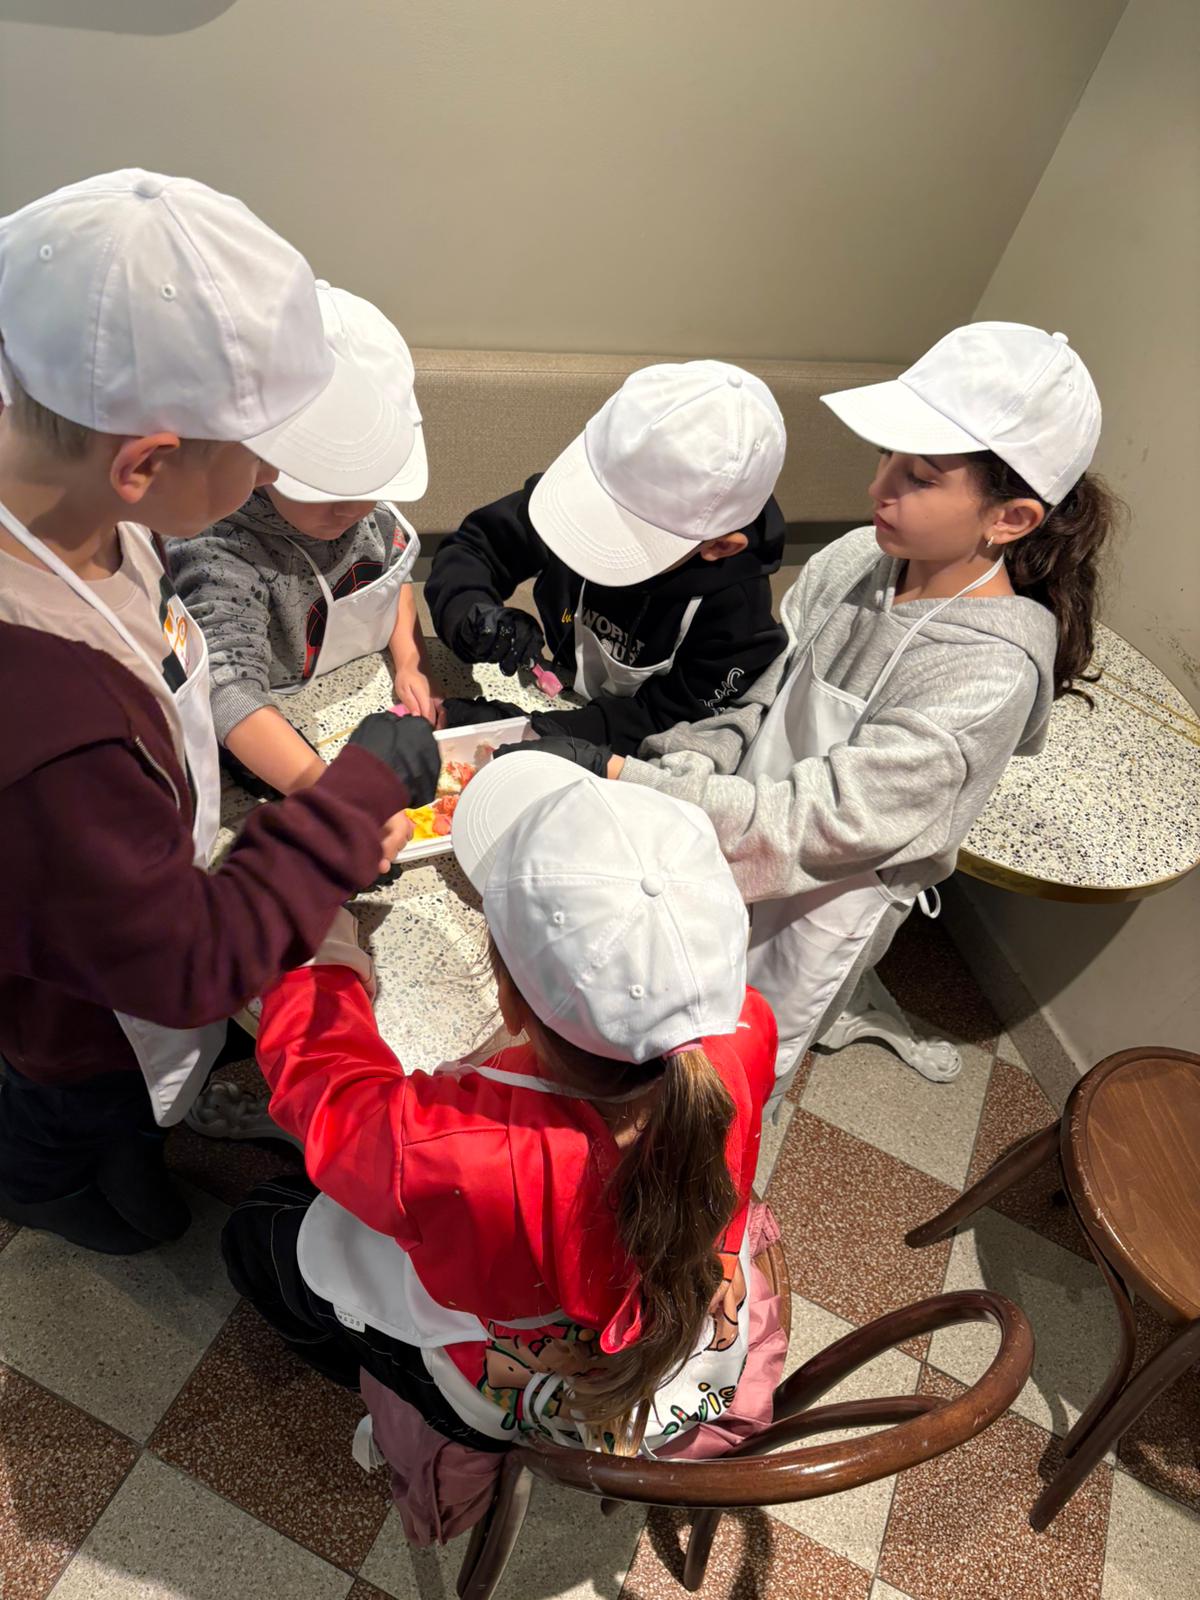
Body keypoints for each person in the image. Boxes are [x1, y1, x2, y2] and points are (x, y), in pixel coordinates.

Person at [500, 323, 1119, 1110]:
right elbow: (763, 696)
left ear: (1011, 519)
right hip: (729, 825)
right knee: (650, 1030)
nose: (878, 488)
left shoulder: (987, 676)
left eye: (920, 477)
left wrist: (634, 782)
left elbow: (821, 821)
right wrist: (678, 766)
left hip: (820, 899)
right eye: (886, 458)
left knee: (723, 1073)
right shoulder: (857, 560)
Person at [0, 169, 441, 1254]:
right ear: (146, 462)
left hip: (109, 918)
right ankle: (66, 1201)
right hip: (68, 1029)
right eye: (260, 450)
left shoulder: (71, 498)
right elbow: (189, 961)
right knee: (106, 1193)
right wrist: (352, 799)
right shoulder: (49, 723)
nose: (270, 474)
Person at [222, 753, 787, 1546]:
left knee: (258, 1230)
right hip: (688, 1330)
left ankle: (412, 1406)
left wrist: (325, 957)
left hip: (519, 1373)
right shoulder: (745, 1032)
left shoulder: (452, 1149)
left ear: (509, 996)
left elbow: (325, 1094)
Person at [424, 360, 788, 754]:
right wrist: (469, 615)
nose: (591, 540)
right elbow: (477, 548)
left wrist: (532, 729)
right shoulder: (580, 490)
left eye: (630, 537)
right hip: (564, 686)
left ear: (720, 546)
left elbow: (664, 721)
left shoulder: (736, 616)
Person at [169, 284, 443, 803]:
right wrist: (335, 801)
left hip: (361, 699)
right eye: (328, 488)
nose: (350, 510)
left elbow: (390, 586)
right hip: (276, 732)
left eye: (370, 487)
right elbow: (225, 690)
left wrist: (410, 662)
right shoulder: (219, 545)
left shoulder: (365, 517)